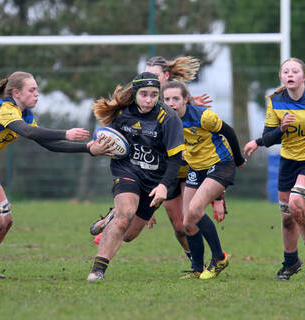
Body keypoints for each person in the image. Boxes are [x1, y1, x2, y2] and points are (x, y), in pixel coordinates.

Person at [90, 56, 226, 270]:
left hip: (182, 166)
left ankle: (200, 262)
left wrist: (218, 197)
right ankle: (118, 217)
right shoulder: (137, 106)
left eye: (154, 77)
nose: (149, 81)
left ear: (166, 77)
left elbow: (210, 146)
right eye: (146, 76)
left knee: (185, 222)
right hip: (159, 172)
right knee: (171, 224)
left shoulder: (179, 103)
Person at [0, 71, 114, 279]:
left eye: (37, 89)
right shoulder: (6, 109)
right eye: (32, 90)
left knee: (5, 221)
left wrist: (87, 149)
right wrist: (66, 133)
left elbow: (48, 144)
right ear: (16, 92)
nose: (37, 94)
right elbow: (29, 132)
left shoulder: (24, 113)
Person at [87, 72, 185, 282]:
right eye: (144, 94)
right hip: (127, 171)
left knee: (129, 235)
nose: (149, 100)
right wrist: (97, 147)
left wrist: (163, 187)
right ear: (135, 94)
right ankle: (97, 271)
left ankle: (111, 216)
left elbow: (176, 160)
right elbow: (106, 138)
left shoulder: (168, 118)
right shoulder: (123, 114)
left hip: (155, 182)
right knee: (125, 214)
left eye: (153, 94)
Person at [162, 81, 245, 279]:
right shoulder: (165, 120)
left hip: (220, 164)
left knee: (195, 209)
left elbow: (229, 132)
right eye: (167, 99)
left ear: (185, 100)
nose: (171, 103)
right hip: (196, 168)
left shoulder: (203, 116)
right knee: (187, 222)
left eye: (176, 98)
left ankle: (219, 258)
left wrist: (239, 159)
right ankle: (197, 269)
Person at [243, 57, 305, 280]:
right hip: (288, 161)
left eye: (294, 71)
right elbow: (269, 137)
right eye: (285, 71)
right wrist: (280, 129)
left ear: (303, 77)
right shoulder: (275, 101)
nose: (289, 74)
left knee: (297, 203)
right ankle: (291, 263)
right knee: (288, 217)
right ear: (281, 77)